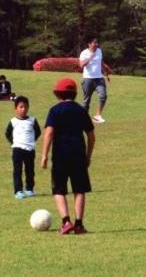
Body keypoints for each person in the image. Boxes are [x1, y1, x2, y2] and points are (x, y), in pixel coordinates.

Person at [40, 77, 95, 235]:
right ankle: (78, 224)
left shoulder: (55, 110)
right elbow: (91, 135)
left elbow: (49, 132)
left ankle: (66, 222)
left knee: (59, 189)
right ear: (75, 94)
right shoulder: (81, 110)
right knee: (79, 189)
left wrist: (44, 155)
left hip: (60, 155)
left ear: (58, 94)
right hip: (78, 154)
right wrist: (88, 155)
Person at [5, 95, 41, 199]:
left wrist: (30, 141)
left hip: (30, 149)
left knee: (30, 170)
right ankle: (18, 191)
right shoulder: (13, 121)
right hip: (17, 149)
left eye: (25, 107)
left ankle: (29, 189)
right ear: (16, 108)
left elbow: (38, 132)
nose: (23, 109)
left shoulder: (32, 120)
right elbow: (7, 133)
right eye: (21, 107)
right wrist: (14, 142)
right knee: (17, 170)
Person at [78, 38, 110, 124]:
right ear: (89, 44)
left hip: (99, 78)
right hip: (88, 79)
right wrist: (90, 57)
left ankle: (97, 116)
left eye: (97, 43)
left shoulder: (99, 51)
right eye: (94, 43)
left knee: (103, 96)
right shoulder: (84, 53)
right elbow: (81, 65)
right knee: (86, 100)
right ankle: (84, 118)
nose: (96, 44)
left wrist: (106, 72)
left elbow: (101, 62)